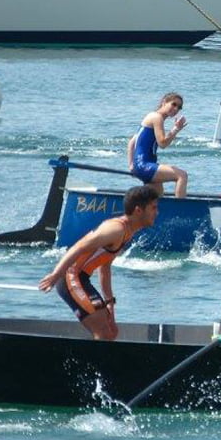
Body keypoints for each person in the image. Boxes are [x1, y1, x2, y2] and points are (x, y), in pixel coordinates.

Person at [37, 186, 160, 340]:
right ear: (138, 210)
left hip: (82, 279)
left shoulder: (128, 231)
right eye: (153, 208)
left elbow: (105, 267)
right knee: (103, 331)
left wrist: (110, 304)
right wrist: (56, 274)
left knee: (111, 331)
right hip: (70, 277)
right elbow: (78, 247)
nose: (157, 212)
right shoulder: (115, 229)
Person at [127, 92, 188, 197]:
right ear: (164, 102)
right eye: (173, 104)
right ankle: (181, 210)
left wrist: (132, 165)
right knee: (182, 175)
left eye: (179, 107)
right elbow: (162, 143)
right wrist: (176, 129)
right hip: (145, 165)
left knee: (157, 199)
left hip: (143, 165)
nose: (176, 109)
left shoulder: (152, 116)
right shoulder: (157, 117)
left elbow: (132, 142)